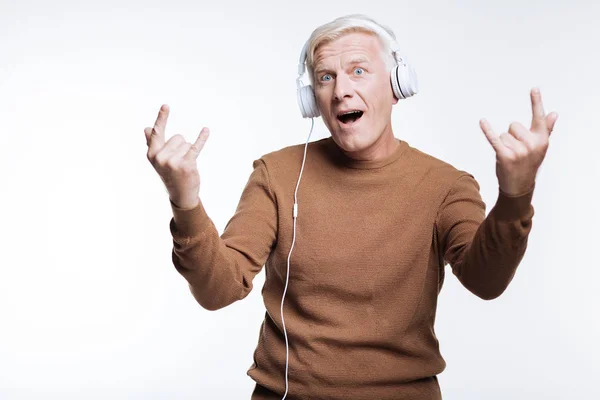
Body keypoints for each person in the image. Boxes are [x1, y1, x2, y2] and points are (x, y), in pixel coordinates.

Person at [144, 14, 558, 400]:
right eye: (326, 77)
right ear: (313, 100)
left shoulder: (446, 186)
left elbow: (486, 281)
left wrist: (515, 194)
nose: (341, 89)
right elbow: (218, 290)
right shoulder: (278, 174)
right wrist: (186, 202)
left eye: (358, 71)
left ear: (398, 85)